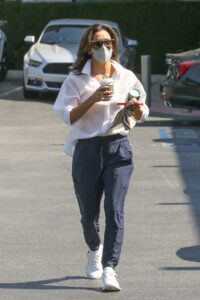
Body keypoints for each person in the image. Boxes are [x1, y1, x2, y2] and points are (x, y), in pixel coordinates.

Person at [53, 23, 149, 292]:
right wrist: (94, 96)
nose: (104, 48)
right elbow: (69, 116)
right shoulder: (75, 80)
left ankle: (110, 267)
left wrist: (136, 108)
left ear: (114, 46)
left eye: (108, 43)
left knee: (115, 210)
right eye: (97, 44)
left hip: (118, 145)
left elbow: (142, 113)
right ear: (87, 47)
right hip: (87, 149)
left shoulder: (126, 76)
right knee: (88, 214)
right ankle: (94, 248)